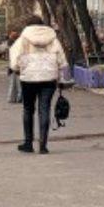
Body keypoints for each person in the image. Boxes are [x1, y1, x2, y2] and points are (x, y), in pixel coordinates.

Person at [8, 15, 68, 154]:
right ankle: (43, 145)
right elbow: (62, 60)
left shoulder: (22, 40)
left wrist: (18, 69)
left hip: (28, 79)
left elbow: (14, 61)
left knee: (28, 109)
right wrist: (63, 78)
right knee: (44, 109)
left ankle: (28, 143)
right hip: (49, 78)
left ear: (28, 26)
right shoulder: (52, 39)